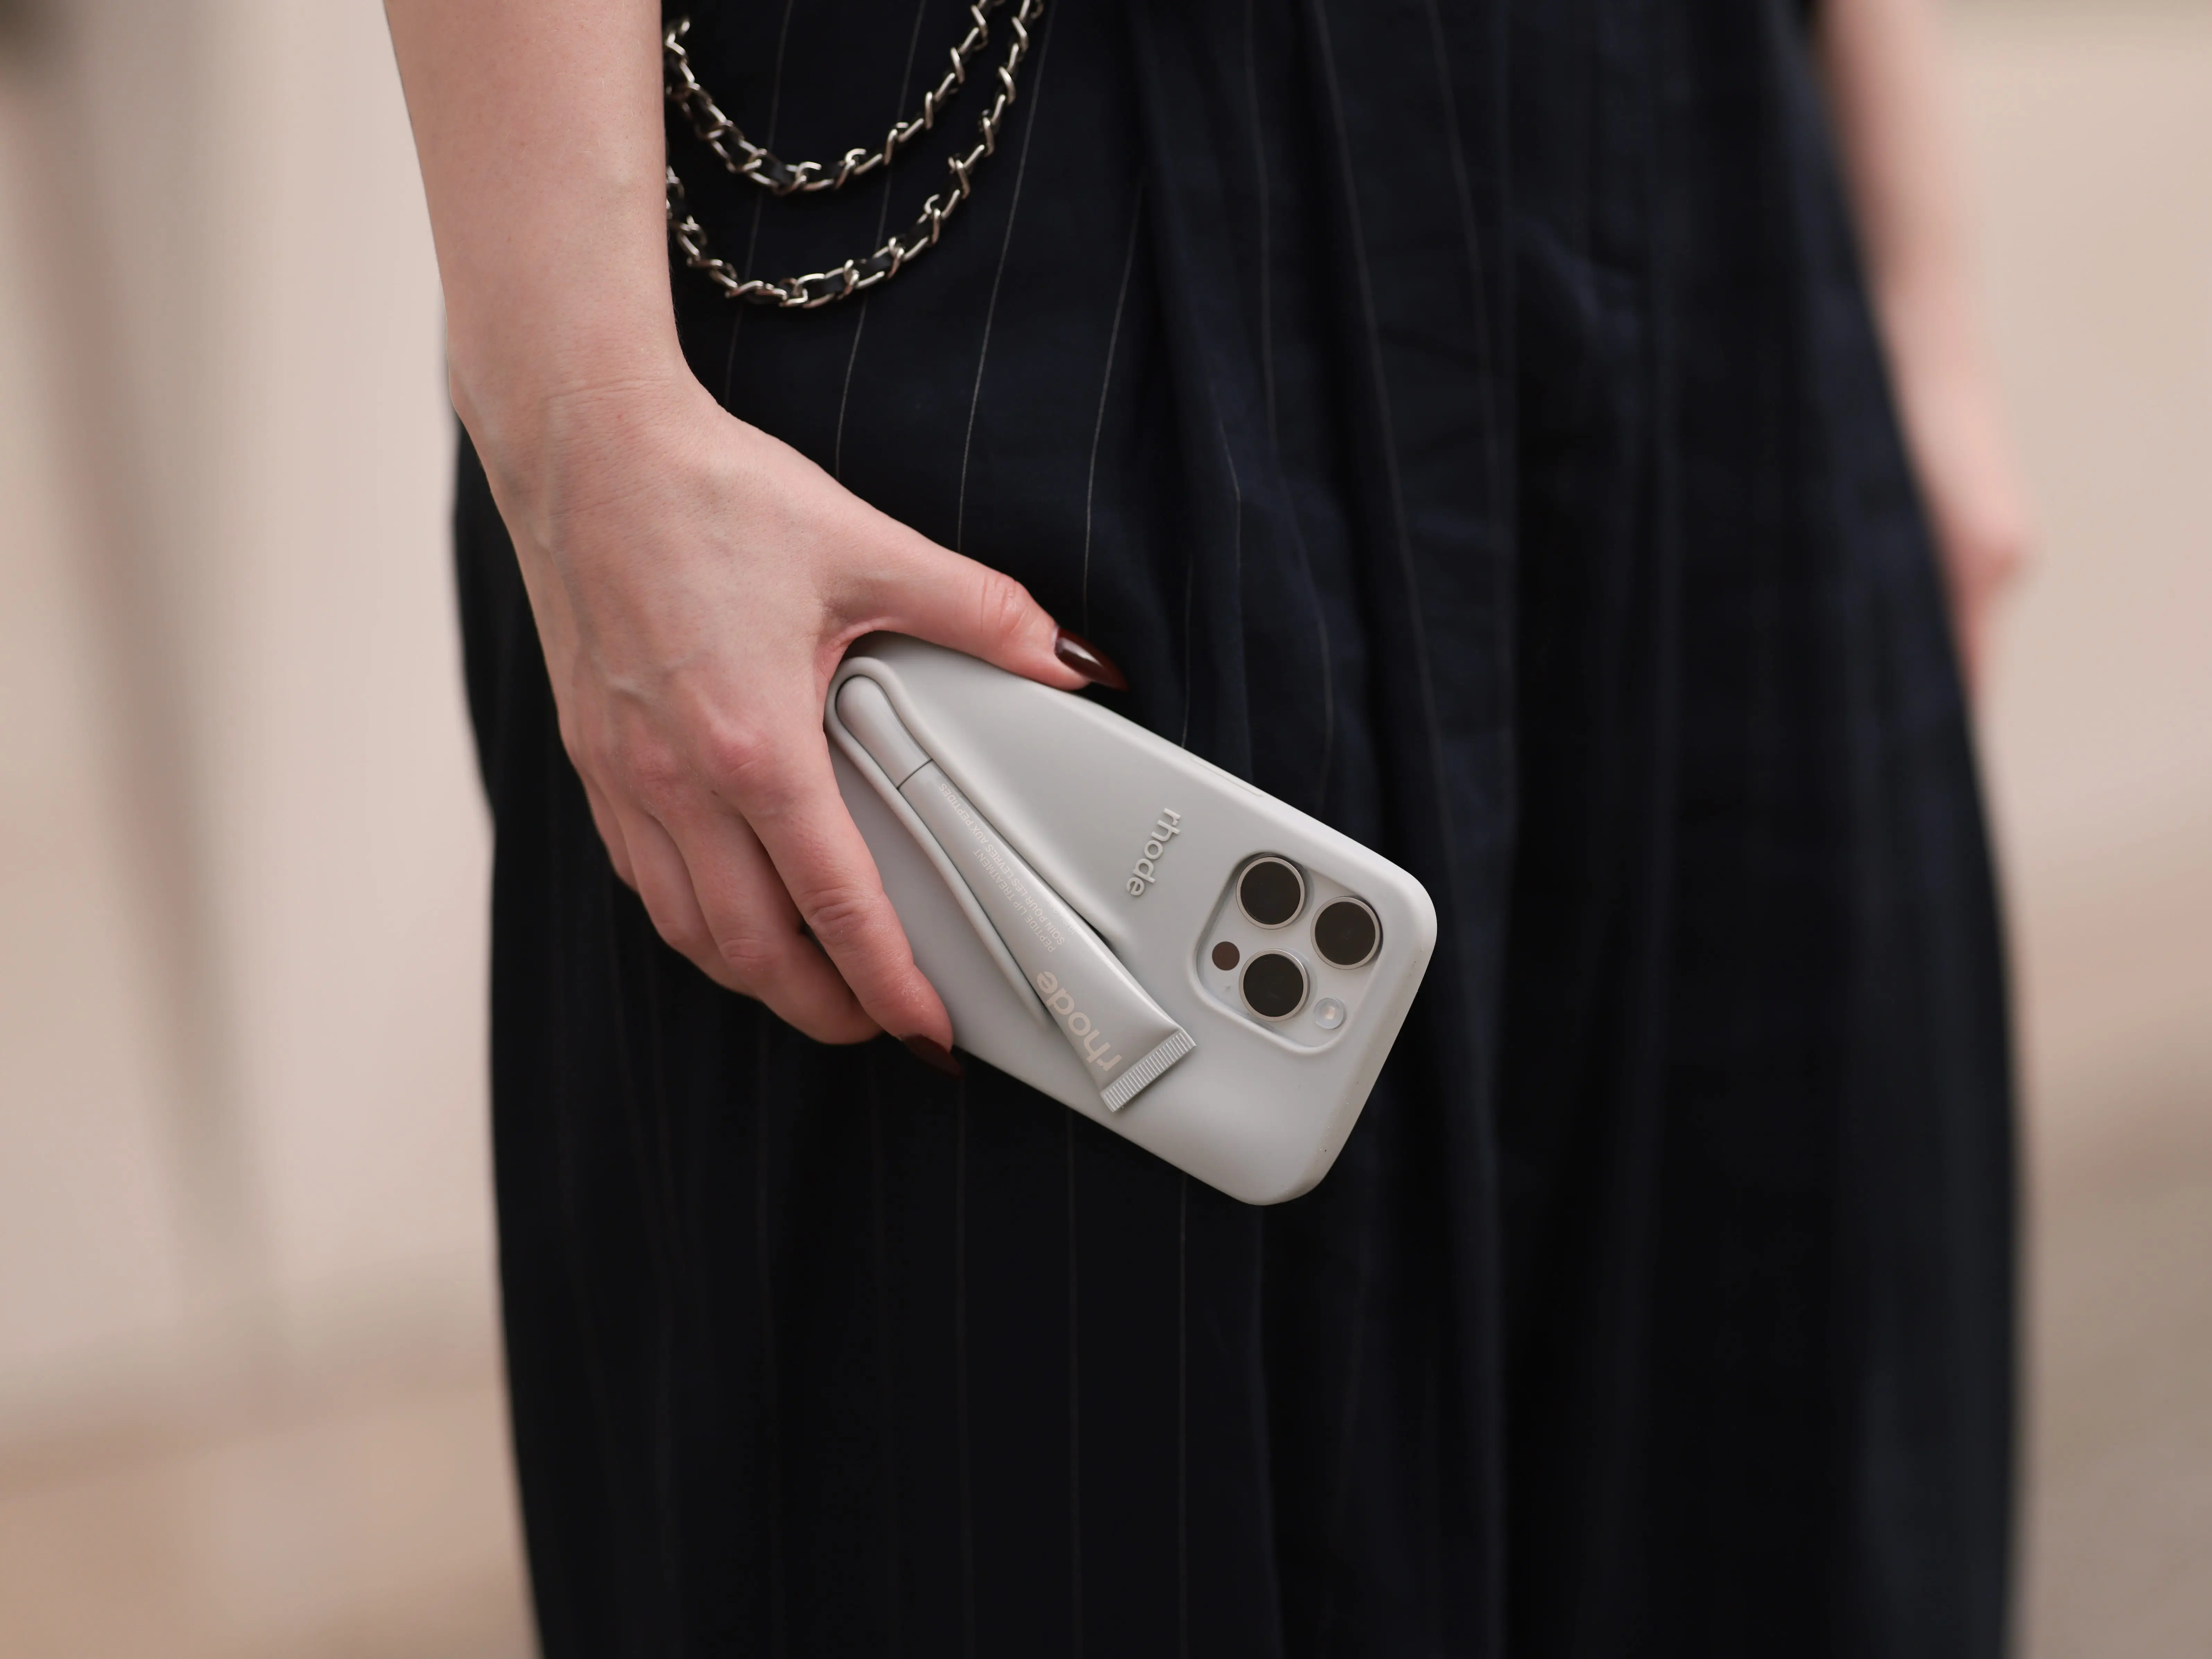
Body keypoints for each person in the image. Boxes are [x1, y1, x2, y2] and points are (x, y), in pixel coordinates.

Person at [384, 0, 2024, 1651]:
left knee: (1771, 1522)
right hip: (1002, 174)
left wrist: (1920, 283)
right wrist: (581, 399)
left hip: (1710, 167)